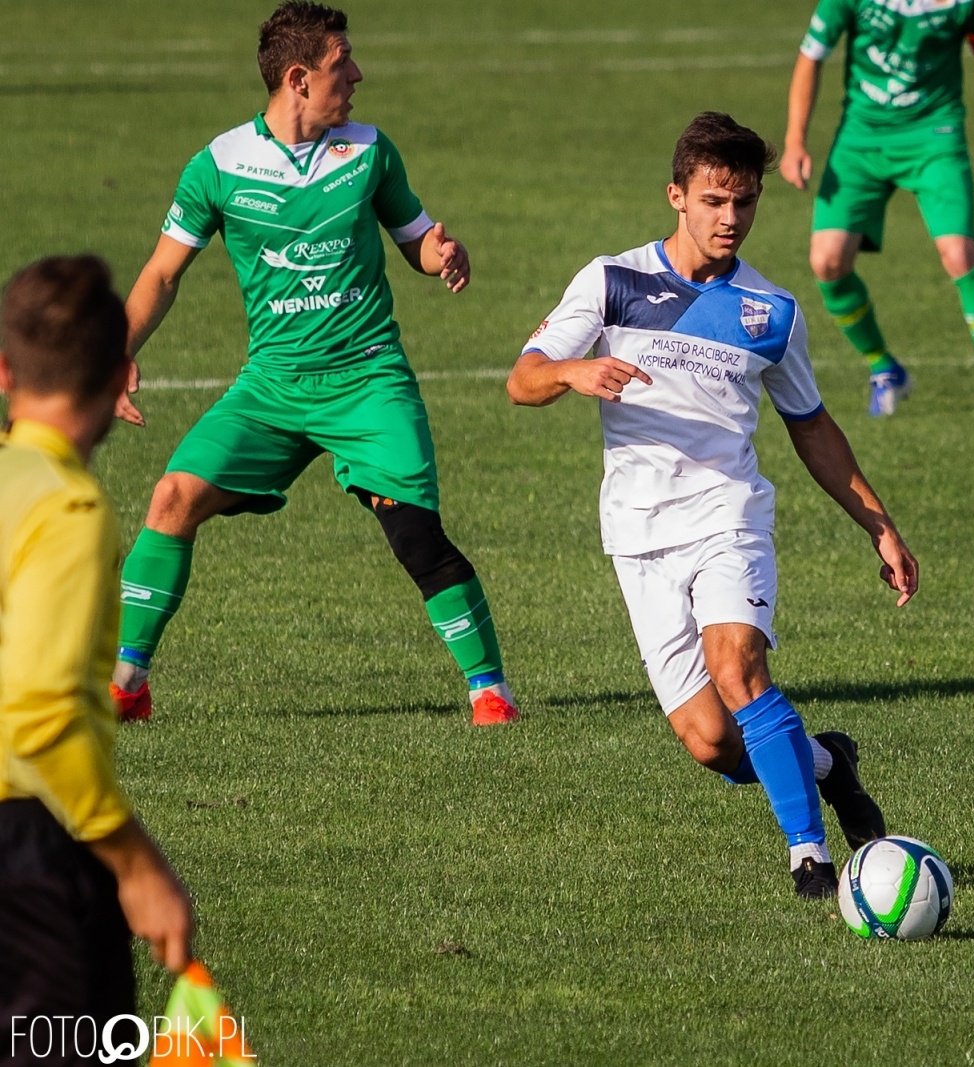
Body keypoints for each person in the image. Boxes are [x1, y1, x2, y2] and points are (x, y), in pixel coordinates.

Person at [508, 113, 917, 898]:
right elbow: (522, 378)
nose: (731, 218)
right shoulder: (611, 281)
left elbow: (814, 428)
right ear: (678, 196)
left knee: (739, 665)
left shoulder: (773, 312)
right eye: (715, 199)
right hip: (637, 535)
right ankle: (827, 760)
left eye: (746, 202)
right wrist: (570, 373)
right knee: (709, 741)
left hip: (729, 518)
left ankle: (811, 856)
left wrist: (881, 526)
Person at [109, 1, 518, 726]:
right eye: (341, 65)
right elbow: (163, 274)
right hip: (271, 386)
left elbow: (415, 237)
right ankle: (126, 687)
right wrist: (121, 353)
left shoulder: (369, 151)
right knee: (171, 498)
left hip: (367, 379)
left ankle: (490, 692)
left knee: (416, 535)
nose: (357, 75)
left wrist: (442, 255)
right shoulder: (219, 167)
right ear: (298, 78)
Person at [1, 256, 193, 1057]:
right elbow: (39, 718)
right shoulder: (67, 509)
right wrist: (135, 863)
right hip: (28, 858)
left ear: (5, 371)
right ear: (121, 376)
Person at [781, 0, 974, 420]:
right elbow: (811, 56)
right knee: (827, 261)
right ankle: (884, 367)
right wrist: (795, 140)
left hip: (935, 136)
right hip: (861, 140)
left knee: (959, 255)